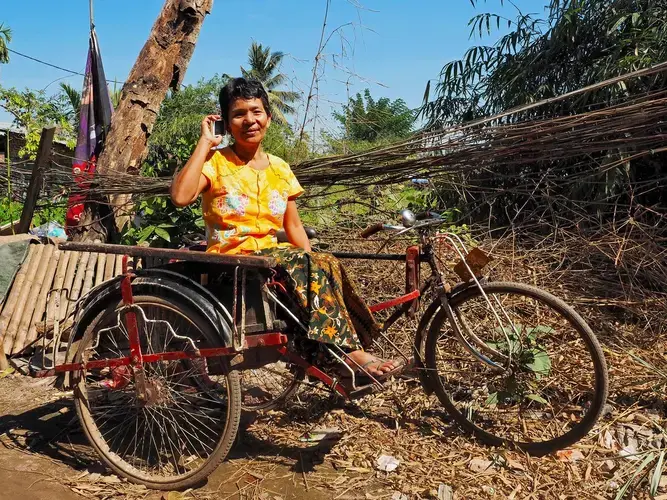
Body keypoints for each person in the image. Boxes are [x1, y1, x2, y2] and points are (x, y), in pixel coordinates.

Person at [170, 77, 406, 378]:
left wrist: (311, 263)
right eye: (239, 114)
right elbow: (180, 197)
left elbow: (293, 226)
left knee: (325, 260)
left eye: (256, 111)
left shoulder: (280, 168)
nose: (249, 120)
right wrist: (204, 144)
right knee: (302, 261)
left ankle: (334, 348)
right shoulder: (215, 163)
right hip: (231, 262)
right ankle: (348, 354)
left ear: (268, 117)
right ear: (227, 124)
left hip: (270, 260)